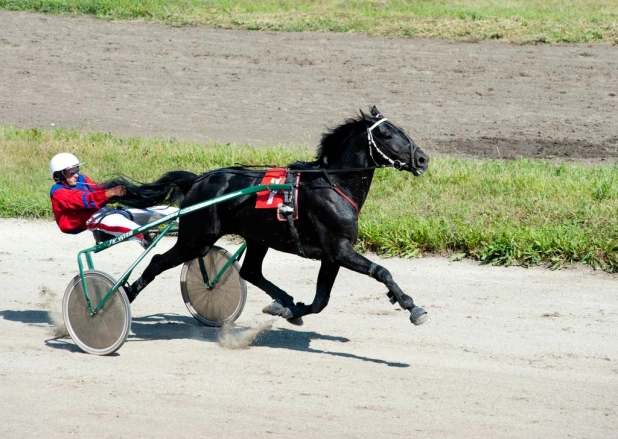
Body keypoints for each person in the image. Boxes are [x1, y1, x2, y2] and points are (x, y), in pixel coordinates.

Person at [49, 152, 178, 248]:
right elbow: (85, 200)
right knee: (132, 227)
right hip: (94, 220)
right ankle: (144, 238)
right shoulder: (58, 192)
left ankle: (186, 218)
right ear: (59, 175)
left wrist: (114, 195)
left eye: (76, 170)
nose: (76, 174)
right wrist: (108, 193)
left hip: (109, 211)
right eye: (71, 172)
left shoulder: (82, 179)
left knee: (157, 210)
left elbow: (98, 190)